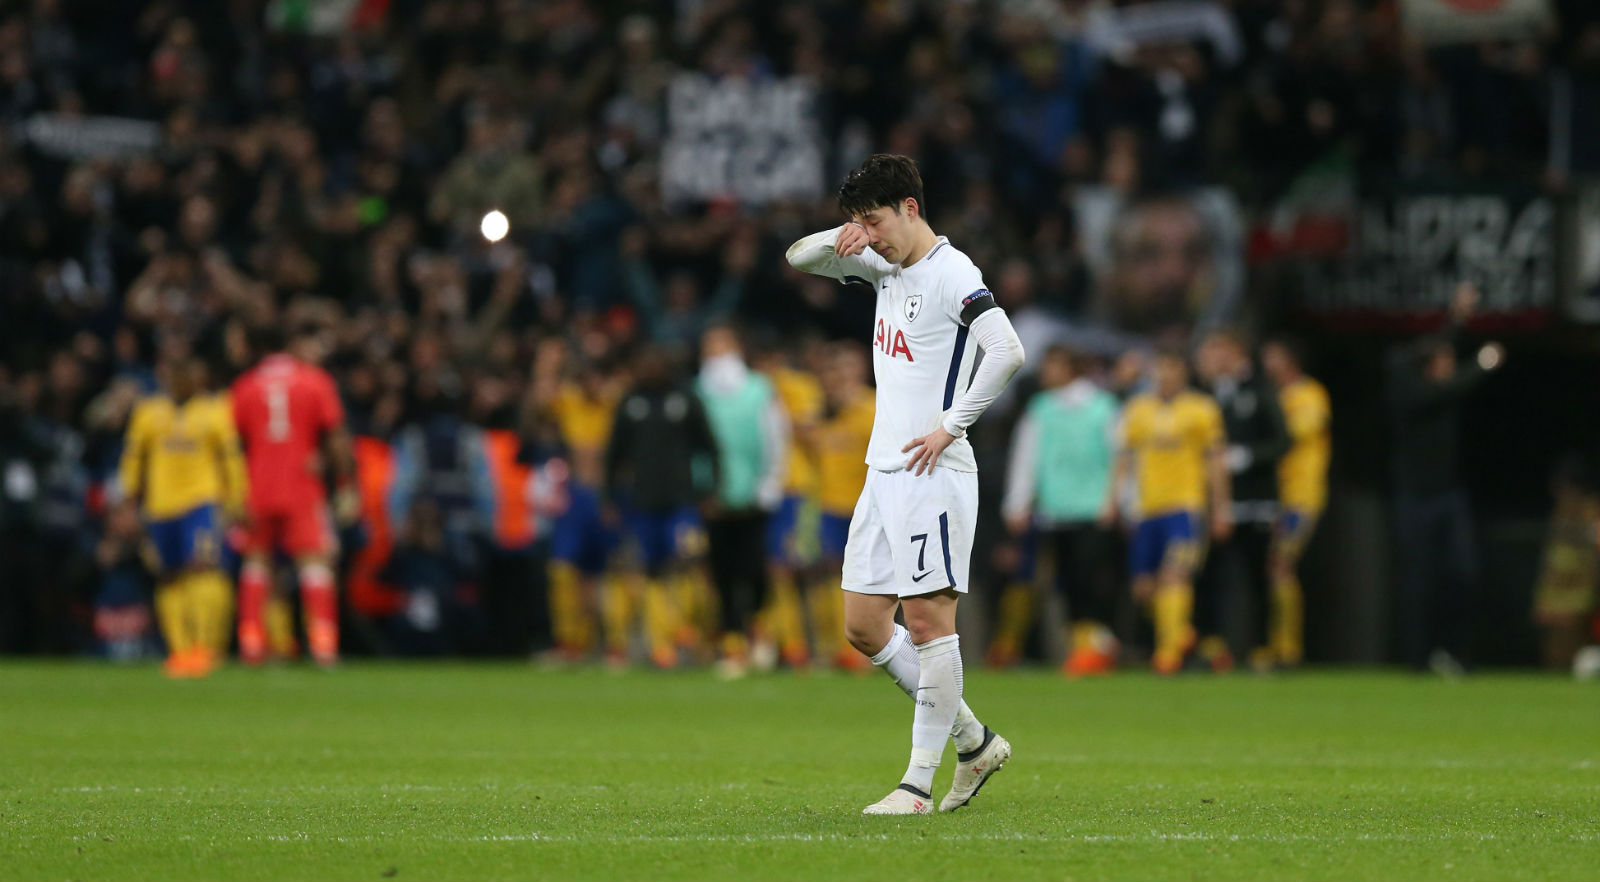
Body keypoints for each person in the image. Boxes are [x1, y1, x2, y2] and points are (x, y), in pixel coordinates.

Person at [786, 154, 1025, 815]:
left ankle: (918, 785)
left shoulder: (953, 272)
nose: (870, 234)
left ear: (911, 209)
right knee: (864, 625)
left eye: (875, 220)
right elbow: (798, 257)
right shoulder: (882, 264)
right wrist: (845, 239)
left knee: (926, 622)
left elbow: (1007, 350)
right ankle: (975, 742)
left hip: (932, 471)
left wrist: (952, 425)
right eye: (859, 222)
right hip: (883, 471)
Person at [1387, 283, 1504, 674]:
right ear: (1427, 366)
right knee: (1418, 581)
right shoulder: (1412, 394)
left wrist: (1456, 316)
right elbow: (1443, 382)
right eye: (1443, 360)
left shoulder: (1439, 386)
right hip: (1415, 498)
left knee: (1462, 573)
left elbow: (1442, 346)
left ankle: (1452, 651)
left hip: (1448, 496)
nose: (1449, 364)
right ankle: (1417, 659)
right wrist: (1483, 364)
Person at [231, 326, 355, 667]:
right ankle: (324, 647)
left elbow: (234, 445)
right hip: (301, 486)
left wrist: (235, 492)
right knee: (314, 564)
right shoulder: (315, 382)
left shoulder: (245, 386)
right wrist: (344, 483)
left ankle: (252, 646)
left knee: (256, 563)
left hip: (257, 488)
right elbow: (336, 438)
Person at [118, 355, 248, 676]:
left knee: (206, 570)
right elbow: (134, 460)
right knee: (168, 575)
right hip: (160, 506)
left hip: (202, 503)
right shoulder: (148, 413)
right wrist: (128, 502)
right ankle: (180, 650)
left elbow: (231, 460)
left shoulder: (215, 410)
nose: (180, 378)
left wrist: (237, 500)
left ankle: (207, 647)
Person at [999, 345, 1122, 676]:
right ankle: (1086, 647)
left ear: (1071, 367)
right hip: (1056, 509)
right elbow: (1027, 459)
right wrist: (1018, 502)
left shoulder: (1101, 406)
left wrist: (1118, 500)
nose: (1046, 373)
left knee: (1090, 580)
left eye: (1053, 365)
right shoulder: (1042, 409)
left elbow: (1119, 457)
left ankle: (1096, 645)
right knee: (1067, 581)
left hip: (1093, 508)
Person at [1109, 348, 1231, 675]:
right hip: (1147, 509)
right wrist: (1114, 500)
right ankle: (1182, 634)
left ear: (1184, 373)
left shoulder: (1202, 409)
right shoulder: (1138, 410)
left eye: (1172, 368)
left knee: (1175, 574)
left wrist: (1221, 508)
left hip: (1185, 508)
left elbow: (1216, 461)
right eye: (1160, 368)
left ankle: (1167, 655)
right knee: (1144, 590)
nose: (1165, 375)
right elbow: (1124, 460)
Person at [604, 345, 721, 668]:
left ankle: (690, 630)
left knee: (691, 560)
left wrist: (711, 490)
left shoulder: (685, 399)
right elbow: (613, 455)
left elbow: (710, 447)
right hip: (642, 504)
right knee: (652, 572)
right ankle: (663, 646)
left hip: (682, 502)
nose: (651, 367)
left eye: (656, 360)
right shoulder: (630, 402)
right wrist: (609, 498)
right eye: (645, 361)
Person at [694, 324, 788, 677]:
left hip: (753, 496)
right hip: (714, 497)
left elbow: (775, 437)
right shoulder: (697, 392)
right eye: (709, 345)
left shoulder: (759, 390)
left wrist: (770, 483)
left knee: (756, 568)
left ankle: (761, 636)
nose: (715, 351)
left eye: (721, 343)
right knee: (721, 571)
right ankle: (732, 642)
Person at [1194, 329, 1289, 671]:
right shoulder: (1206, 393)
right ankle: (1213, 646)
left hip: (1255, 499)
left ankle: (1263, 648)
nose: (1210, 360)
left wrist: (1244, 456)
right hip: (1216, 503)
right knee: (1211, 574)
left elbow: (1282, 440)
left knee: (1257, 575)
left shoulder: (1260, 389)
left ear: (1234, 352)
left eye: (1217, 351)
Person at [1261, 337, 1331, 669]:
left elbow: (1289, 435)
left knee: (1281, 565)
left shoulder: (1310, 394)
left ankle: (1288, 650)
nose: (1268, 364)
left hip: (1302, 495)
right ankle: (1277, 646)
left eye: (1274, 357)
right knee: (1275, 568)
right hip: (1275, 495)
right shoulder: (1274, 396)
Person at [809, 343, 876, 671]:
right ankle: (837, 647)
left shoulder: (874, 407)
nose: (842, 377)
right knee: (829, 577)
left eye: (849, 368)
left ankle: (866, 647)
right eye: (836, 371)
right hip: (829, 506)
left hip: (865, 505)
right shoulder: (823, 413)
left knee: (868, 579)